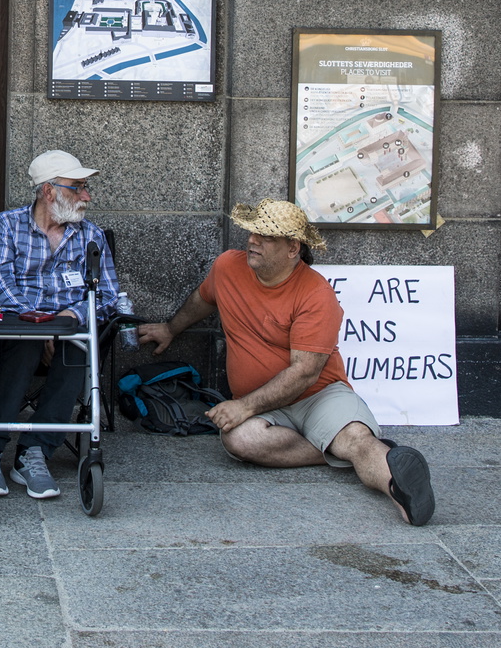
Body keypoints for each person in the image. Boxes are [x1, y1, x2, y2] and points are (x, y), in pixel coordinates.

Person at [136, 198, 436, 526]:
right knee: (238, 439)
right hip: (267, 409)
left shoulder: (315, 294)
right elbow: (202, 299)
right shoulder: (227, 267)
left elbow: (306, 372)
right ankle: (336, 449)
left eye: (266, 236)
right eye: (252, 232)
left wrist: (244, 406)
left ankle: (399, 490)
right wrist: (169, 328)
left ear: (293, 247)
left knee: (357, 440)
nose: (252, 240)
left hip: (318, 396)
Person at [0, 150, 122, 500]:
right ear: (48, 191)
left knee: (79, 345)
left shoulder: (90, 236)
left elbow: (107, 295)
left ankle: (34, 451)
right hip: (12, 330)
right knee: (26, 344)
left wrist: (68, 321)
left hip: (65, 332)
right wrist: (41, 328)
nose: (86, 196)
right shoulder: (6, 225)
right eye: (78, 187)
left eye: (86, 187)